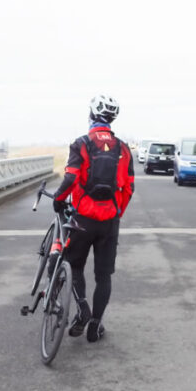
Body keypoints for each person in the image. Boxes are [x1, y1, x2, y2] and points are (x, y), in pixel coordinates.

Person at [52, 94, 135, 343]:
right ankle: (95, 326)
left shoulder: (81, 143)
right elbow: (129, 188)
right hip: (109, 220)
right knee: (104, 275)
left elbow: (71, 178)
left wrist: (58, 199)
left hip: (83, 219)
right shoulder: (123, 148)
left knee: (74, 265)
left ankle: (82, 307)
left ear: (91, 116)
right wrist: (116, 211)